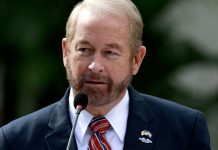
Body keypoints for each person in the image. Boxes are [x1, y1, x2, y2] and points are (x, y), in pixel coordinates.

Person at [0, 0, 211, 149]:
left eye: (110, 52)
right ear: (66, 52)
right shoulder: (16, 140)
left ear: (136, 59)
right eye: (84, 49)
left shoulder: (183, 131)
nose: (94, 65)